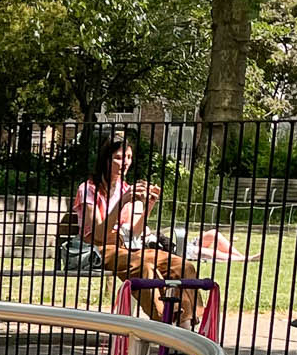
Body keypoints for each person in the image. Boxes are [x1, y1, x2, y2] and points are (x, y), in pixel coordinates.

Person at [72, 136, 241, 326]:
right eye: (118, 157)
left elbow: (135, 232)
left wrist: (148, 206)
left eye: (128, 157)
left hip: (129, 247)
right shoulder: (89, 189)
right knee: (145, 268)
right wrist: (122, 202)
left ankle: (186, 324)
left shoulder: (125, 188)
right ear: (105, 159)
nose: (125, 162)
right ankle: (165, 321)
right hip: (100, 248)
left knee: (182, 266)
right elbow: (98, 234)